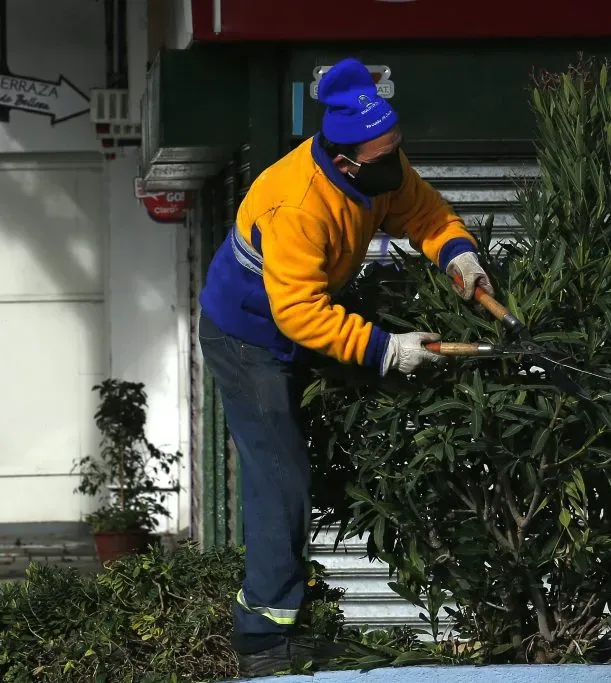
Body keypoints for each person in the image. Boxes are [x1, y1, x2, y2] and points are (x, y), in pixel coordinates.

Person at [196, 58, 493, 676]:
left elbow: (427, 215)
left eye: (398, 149)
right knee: (280, 475)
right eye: (383, 157)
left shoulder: (379, 165)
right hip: (248, 334)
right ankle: (263, 642)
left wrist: (461, 259)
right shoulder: (297, 203)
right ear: (345, 158)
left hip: (311, 313)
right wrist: (387, 348)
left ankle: (298, 611)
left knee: (321, 459)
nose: (395, 165)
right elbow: (299, 314)